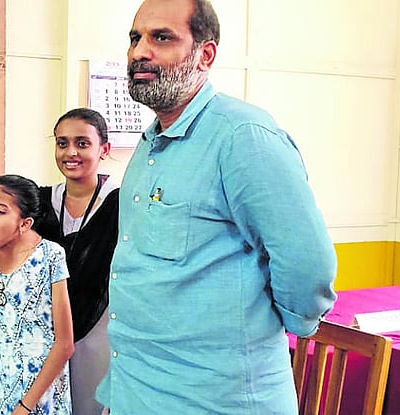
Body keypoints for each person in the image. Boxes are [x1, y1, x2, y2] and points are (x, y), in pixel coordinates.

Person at [96, 0, 338, 413]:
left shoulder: (243, 136)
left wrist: (278, 329)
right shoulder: (149, 144)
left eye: (162, 37)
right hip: (137, 389)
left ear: (204, 55)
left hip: (216, 399)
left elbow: (306, 265)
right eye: (135, 38)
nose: (139, 51)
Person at [0, 174, 75, 415]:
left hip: (41, 398)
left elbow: (65, 345)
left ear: (24, 223)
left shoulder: (50, 256)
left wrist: (24, 407)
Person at [32, 108, 118, 415]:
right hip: (42, 338)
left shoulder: (121, 203)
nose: (71, 152)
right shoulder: (38, 203)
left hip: (99, 335)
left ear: (103, 149)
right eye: (62, 143)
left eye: (82, 143)